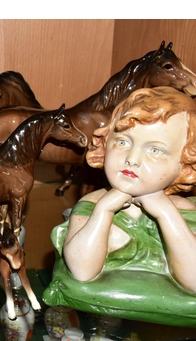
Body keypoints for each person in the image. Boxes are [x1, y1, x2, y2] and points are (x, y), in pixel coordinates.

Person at [60, 86, 196, 294]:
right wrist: (103, 211)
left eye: (154, 150)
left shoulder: (183, 212)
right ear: (105, 145)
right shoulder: (93, 205)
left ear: (185, 165)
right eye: (122, 142)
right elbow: (82, 272)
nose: (132, 159)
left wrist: (167, 214)